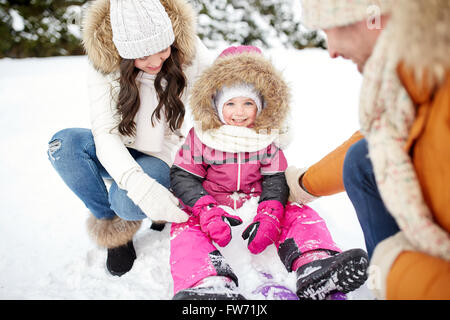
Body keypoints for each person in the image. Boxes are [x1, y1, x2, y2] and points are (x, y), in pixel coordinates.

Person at [168, 45, 369, 300]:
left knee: (299, 211)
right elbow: (183, 175)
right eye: (230, 103)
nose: (239, 112)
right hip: (215, 207)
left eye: (248, 103)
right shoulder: (203, 136)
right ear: (216, 104)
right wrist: (206, 210)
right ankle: (206, 281)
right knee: (184, 225)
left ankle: (315, 261)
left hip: (257, 203)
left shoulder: (265, 137)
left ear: (261, 105)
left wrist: (271, 213)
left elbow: (275, 177)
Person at [287, 0, 450, 299]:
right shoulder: (414, 76)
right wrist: (303, 184)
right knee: (362, 159)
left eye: (330, 30)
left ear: (372, 15)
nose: (332, 50)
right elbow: (377, 141)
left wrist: (395, 270)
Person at [47, 0, 214, 277]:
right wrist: (139, 185)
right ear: (124, 52)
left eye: (162, 49)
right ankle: (113, 225)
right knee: (63, 145)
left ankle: (143, 201)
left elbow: (224, 87)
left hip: (161, 152)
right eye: (143, 55)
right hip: (118, 145)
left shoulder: (188, 49)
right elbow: (105, 133)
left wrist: (267, 120)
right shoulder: (105, 63)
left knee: (125, 201)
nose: (156, 61)